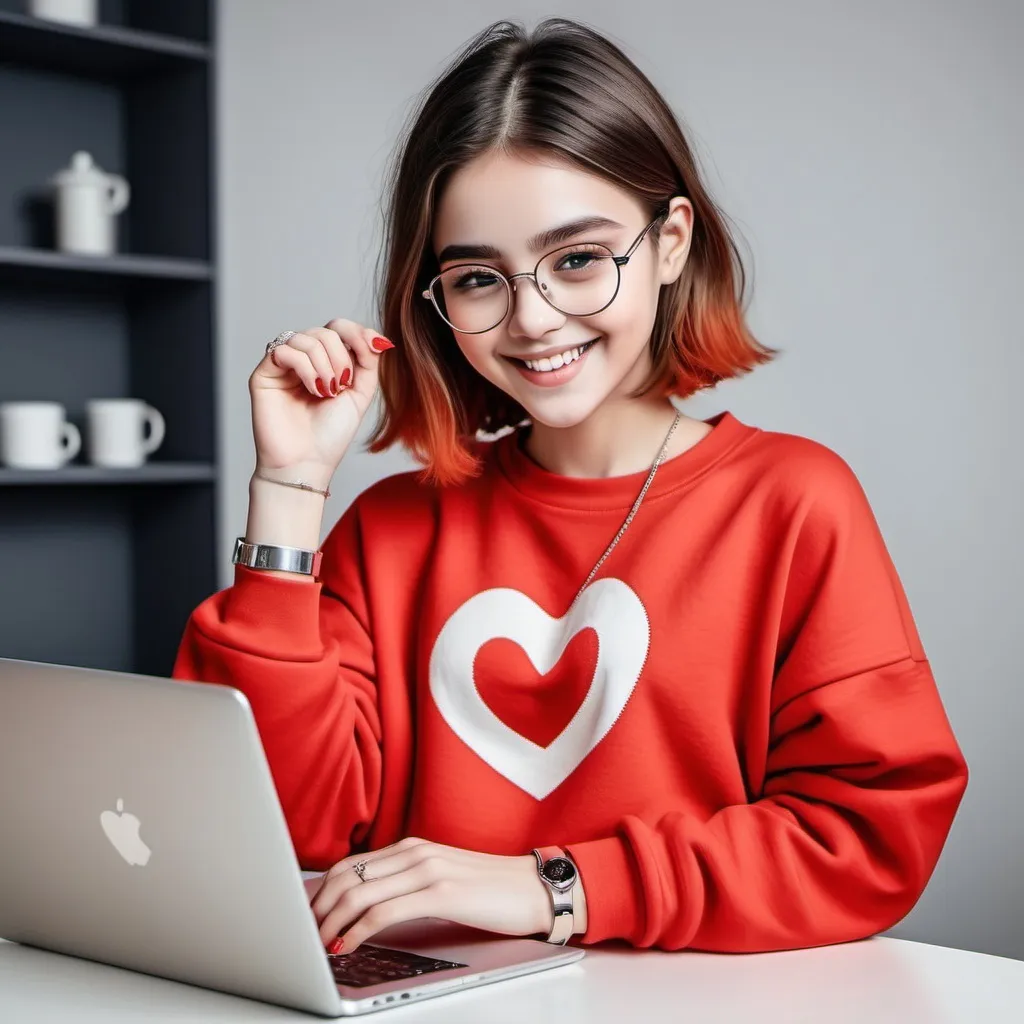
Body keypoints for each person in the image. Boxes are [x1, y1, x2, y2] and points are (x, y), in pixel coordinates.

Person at [173, 17, 968, 958]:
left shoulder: (793, 502)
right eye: (477, 278)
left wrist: (556, 885)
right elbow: (288, 830)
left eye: (579, 259)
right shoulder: (391, 529)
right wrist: (289, 488)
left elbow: (869, 841)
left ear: (670, 242)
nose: (533, 318)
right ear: (433, 297)